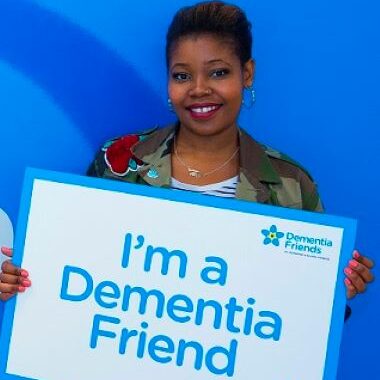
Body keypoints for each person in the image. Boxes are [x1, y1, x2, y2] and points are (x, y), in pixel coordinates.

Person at [0, 1, 374, 307]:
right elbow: (73, 274)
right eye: (182, 76)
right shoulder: (119, 161)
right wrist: (21, 279)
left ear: (247, 74)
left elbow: (304, 319)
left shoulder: (291, 185)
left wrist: (339, 286)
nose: (198, 89)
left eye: (218, 73)